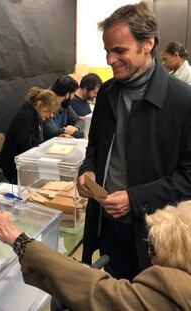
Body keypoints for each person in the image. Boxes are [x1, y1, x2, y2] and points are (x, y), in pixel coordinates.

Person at [77, 3, 191, 281]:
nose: (109, 60)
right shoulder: (107, 93)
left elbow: (188, 177)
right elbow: (94, 149)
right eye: (107, 50)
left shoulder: (183, 102)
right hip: (107, 226)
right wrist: (86, 171)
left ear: (147, 44)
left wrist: (134, 198)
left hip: (155, 240)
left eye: (119, 50)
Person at [0, 203, 191, 311]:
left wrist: (19, 240)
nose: (151, 259)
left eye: (153, 250)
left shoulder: (174, 289)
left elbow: (101, 293)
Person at [0, 87, 60, 183]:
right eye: (48, 111)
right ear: (40, 104)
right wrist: (51, 144)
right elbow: (30, 146)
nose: (50, 115)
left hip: (26, 165)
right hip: (14, 170)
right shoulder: (25, 117)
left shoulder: (36, 117)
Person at [43, 75, 84, 139]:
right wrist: (84, 133)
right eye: (73, 94)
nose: (73, 96)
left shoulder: (64, 104)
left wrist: (76, 127)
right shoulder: (46, 104)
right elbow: (52, 131)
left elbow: (78, 120)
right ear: (67, 94)